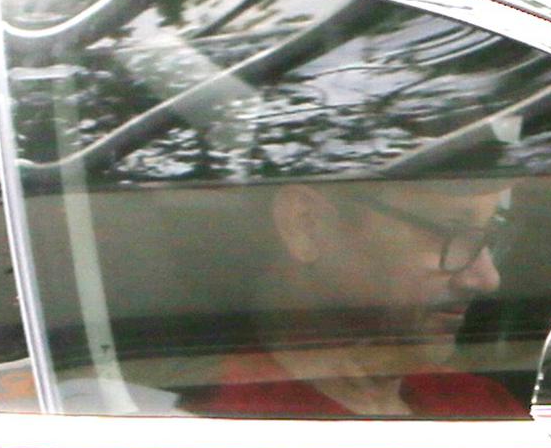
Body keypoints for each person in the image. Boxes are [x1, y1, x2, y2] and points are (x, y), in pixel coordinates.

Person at [190, 177, 528, 417]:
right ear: (306, 224)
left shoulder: (481, 406)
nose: (488, 279)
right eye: (450, 231)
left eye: (491, 236)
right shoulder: (223, 425)